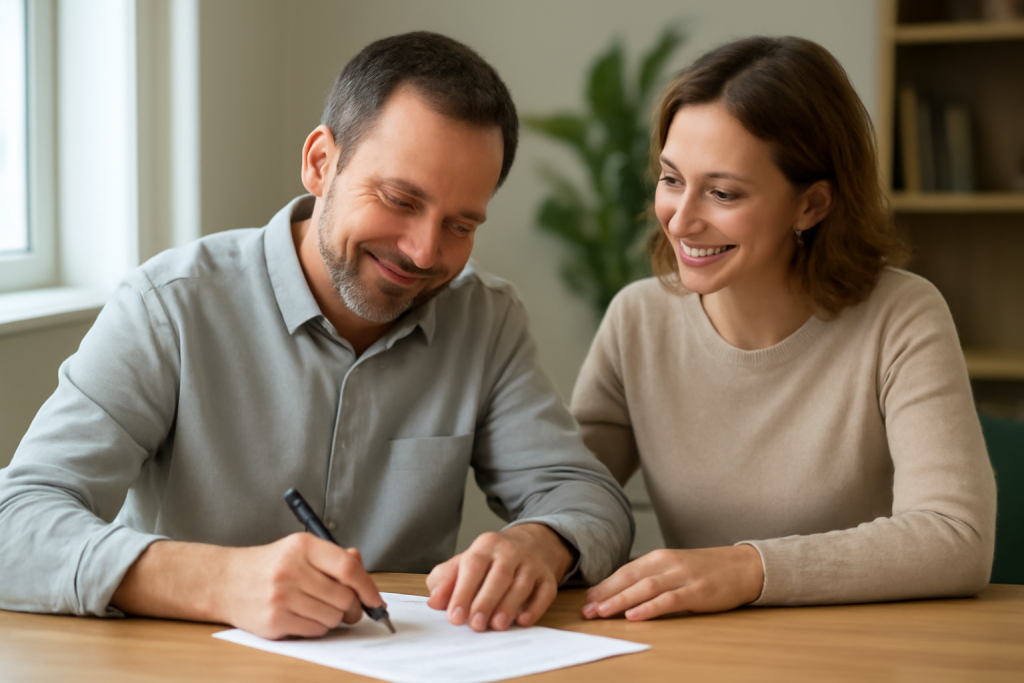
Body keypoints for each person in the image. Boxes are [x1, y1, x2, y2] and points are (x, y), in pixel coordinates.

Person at [0, 31, 632, 639]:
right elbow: (14, 523)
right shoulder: (169, 307)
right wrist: (217, 581)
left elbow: (589, 499)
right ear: (320, 163)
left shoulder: (487, 320)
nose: (423, 251)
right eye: (399, 199)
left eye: (461, 224)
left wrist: (540, 543)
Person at [572, 35, 995, 622]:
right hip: (702, 657)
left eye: (722, 192)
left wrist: (747, 569)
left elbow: (956, 538)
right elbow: (571, 490)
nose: (682, 218)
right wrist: (529, 544)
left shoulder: (903, 316)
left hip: (864, 652)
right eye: (671, 179)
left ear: (812, 205)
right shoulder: (636, 319)